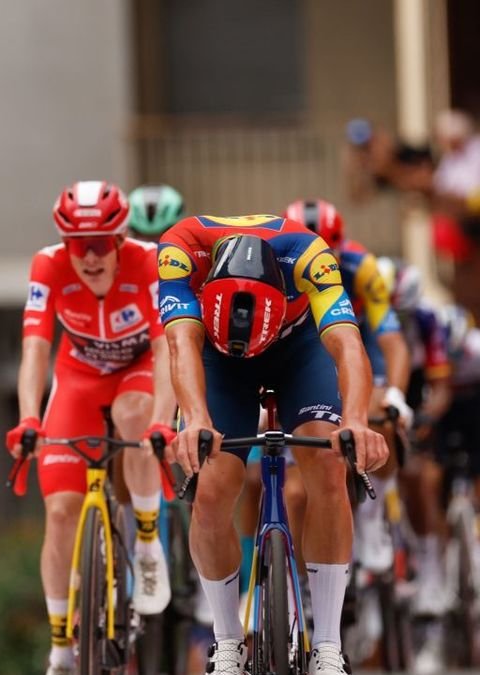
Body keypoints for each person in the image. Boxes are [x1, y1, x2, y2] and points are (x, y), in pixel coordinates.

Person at [158, 216, 387, 675]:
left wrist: (358, 421)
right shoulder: (180, 250)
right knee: (212, 487)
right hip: (220, 358)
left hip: (299, 347)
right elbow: (181, 343)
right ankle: (226, 642)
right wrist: (196, 419)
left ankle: (326, 644)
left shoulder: (310, 256)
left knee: (326, 468)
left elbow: (346, 345)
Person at [5, 180, 177, 674]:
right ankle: (61, 646)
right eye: (78, 247)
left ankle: (146, 546)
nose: (89, 258)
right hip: (78, 377)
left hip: (139, 368)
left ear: (121, 240)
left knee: (133, 417)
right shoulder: (48, 266)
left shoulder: (150, 262)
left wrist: (163, 421)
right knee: (60, 511)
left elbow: (167, 349)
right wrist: (28, 419)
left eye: (100, 245)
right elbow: (35, 347)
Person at [282, 199, 412, 574]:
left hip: (356, 338)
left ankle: (373, 515)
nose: (319, 261)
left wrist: (396, 396)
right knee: (294, 490)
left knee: (381, 417)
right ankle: (294, 579)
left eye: (329, 251)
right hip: (303, 348)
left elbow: (392, 341)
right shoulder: (273, 263)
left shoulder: (363, 269)